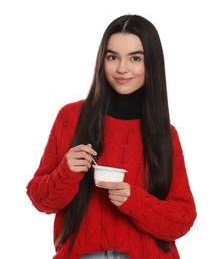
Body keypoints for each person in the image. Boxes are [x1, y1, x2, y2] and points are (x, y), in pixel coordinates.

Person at [26, 14, 197, 259]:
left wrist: (134, 201)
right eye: (112, 57)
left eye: (135, 58)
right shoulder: (70, 117)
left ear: (152, 64)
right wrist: (66, 172)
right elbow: (41, 200)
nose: (121, 68)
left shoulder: (166, 134)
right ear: (102, 60)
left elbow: (182, 220)